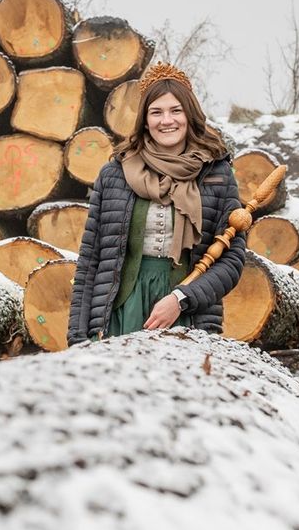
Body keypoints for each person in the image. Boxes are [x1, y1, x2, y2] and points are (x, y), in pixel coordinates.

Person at [67, 62, 247, 344]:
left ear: (190, 115)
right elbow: (91, 260)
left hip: (189, 313)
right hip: (121, 311)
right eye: (157, 112)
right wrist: (78, 335)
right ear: (145, 119)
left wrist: (180, 299)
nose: (167, 120)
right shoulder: (115, 173)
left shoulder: (216, 174)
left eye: (176, 110)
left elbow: (232, 260)